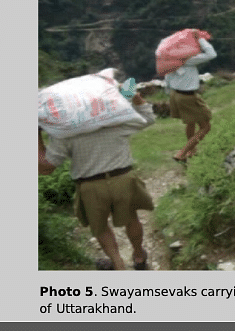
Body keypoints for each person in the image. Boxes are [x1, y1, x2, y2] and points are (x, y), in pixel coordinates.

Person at [38, 91, 156, 270]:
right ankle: (139, 256)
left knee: (99, 227)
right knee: (132, 218)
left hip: (90, 186)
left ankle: (118, 264)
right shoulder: (115, 123)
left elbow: (46, 167)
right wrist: (137, 97)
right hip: (123, 179)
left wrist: (36, 135)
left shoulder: (66, 133)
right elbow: (148, 119)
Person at [165, 30, 217, 162]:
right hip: (187, 96)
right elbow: (211, 54)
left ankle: (191, 151)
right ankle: (182, 153)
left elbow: (167, 78)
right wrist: (199, 38)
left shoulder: (170, 58)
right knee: (206, 126)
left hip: (175, 94)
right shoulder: (187, 60)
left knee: (190, 122)